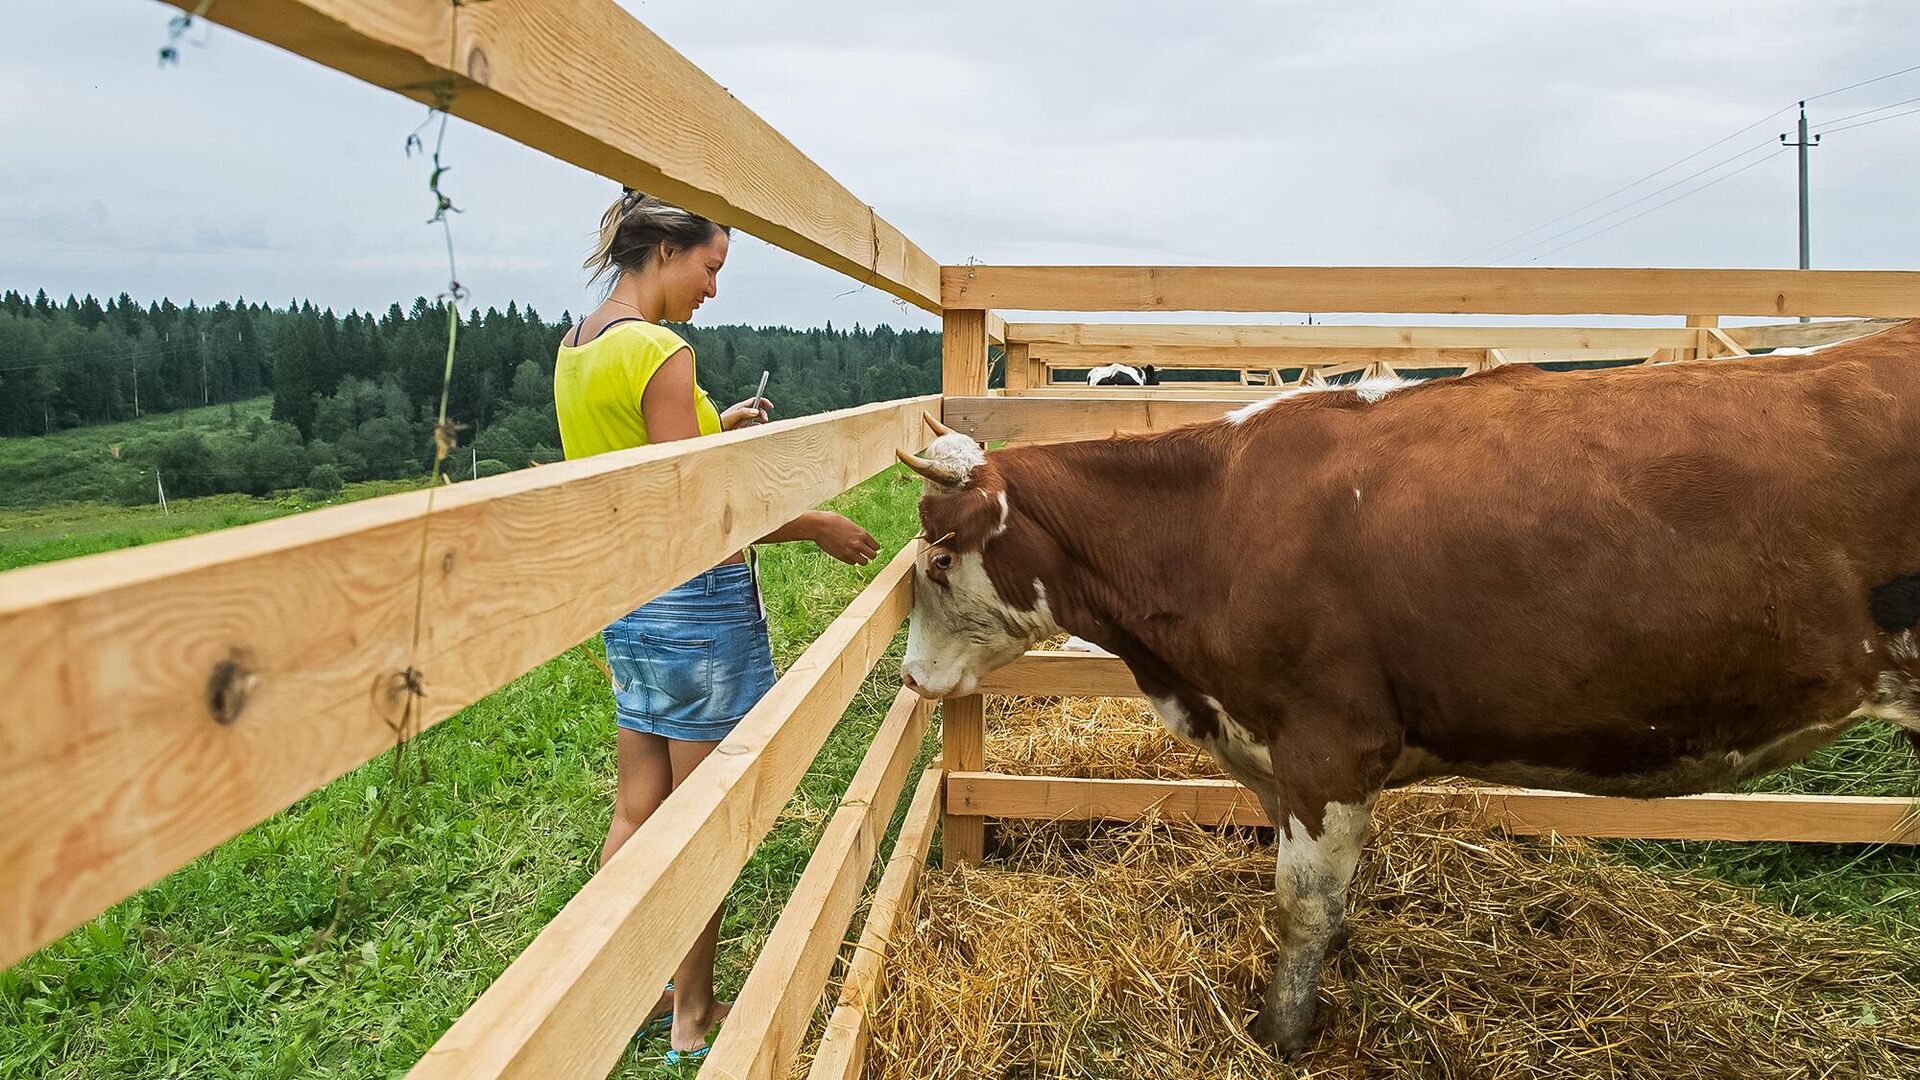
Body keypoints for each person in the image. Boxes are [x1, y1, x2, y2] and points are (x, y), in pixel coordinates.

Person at [554, 188, 881, 1063]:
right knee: (703, 825)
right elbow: (702, 515)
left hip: (628, 600)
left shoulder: (579, 345)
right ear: (667, 249)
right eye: (711, 266)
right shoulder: (663, 352)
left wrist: (715, 424)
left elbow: (641, 467)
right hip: (696, 604)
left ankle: (627, 983)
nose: (712, 288)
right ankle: (692, 1016)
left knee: (638, 808)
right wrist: (816, 523)